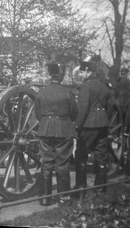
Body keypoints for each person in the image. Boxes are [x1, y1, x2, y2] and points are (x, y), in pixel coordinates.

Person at [34, 63, 78, 206]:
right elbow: (74, 114)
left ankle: (45, 198)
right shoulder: (67, 93)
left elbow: (38, 114)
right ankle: (63, 198)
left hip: (45, 129)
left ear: (50, 76)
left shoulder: (42, 92)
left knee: (46, 163)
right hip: (64, 130)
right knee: (62, 164)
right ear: (61, 77)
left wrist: (48, 121)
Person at [74, 60, 111, 196]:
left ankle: (81, 189)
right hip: (103, 125)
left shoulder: (85, 86)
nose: (81, 74)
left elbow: (83, 109)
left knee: (81, 156)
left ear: (88, 72)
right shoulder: (105, 87)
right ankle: (100, 189)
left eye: (82, 72)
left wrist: (77, 126)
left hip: (88, 125)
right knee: (101, 157)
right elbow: (110, 108)